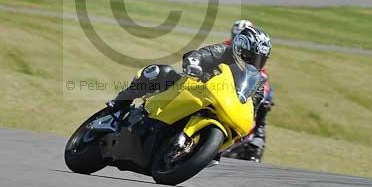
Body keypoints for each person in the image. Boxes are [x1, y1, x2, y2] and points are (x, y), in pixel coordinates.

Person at [108, 24, 272, 123]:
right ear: (241, 49)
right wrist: (194, 64)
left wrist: (251, 108)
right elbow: (199, 55)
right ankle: (119, 105)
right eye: (253, 57)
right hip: (193, 88)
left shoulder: (256, 80)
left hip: (219, 105)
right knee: (160, 72)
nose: (255, 63)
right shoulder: (223, 52)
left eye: (260, 60)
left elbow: (254, 102)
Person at [223, 19, 275, 162]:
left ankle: (256, 140)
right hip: (222, 84)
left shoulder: (256, 52)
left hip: (243, 88)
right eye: (236, 36)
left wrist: (262, 94)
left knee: (264, 105)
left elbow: (262, 76)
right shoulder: (225, 46)